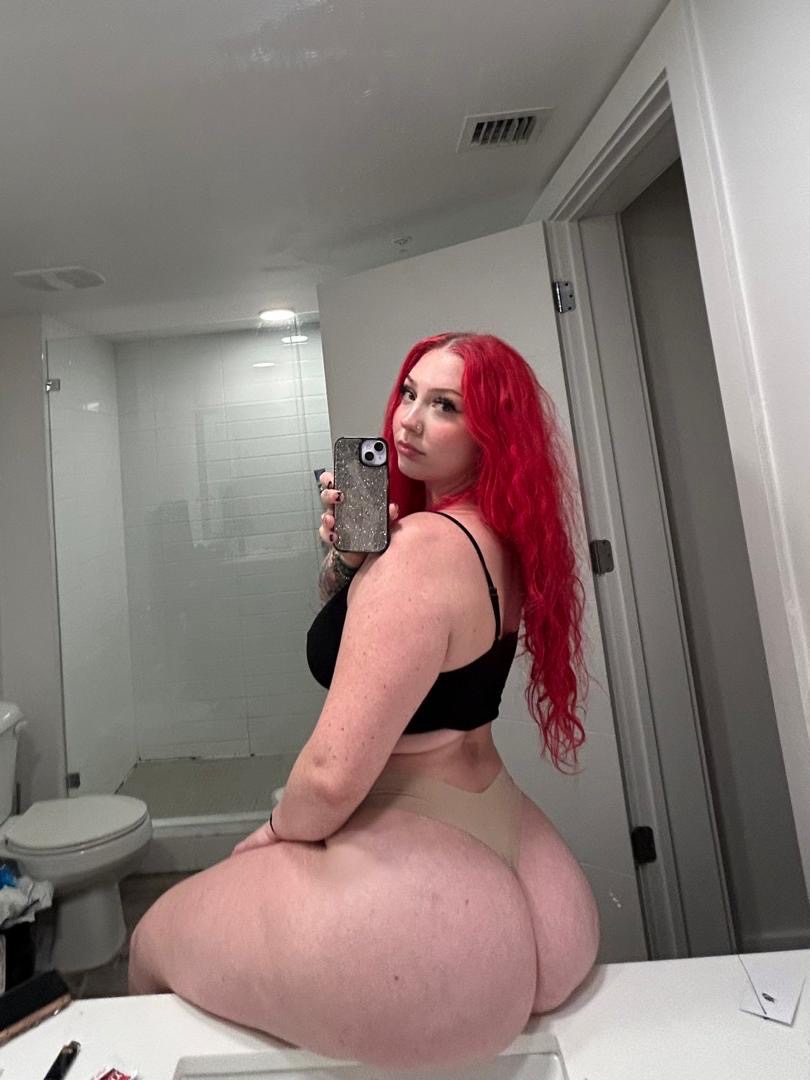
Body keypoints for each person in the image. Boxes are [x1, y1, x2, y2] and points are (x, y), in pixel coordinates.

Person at [128, 332, 599, 1069]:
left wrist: (272, 835)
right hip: (509, 830)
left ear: (491, 434)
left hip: (419, 849)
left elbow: (329, 778)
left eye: (445, 406)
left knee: (151, 940)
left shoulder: (420, 550)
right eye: (410, 393)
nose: (409, 419)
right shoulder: (500, 540)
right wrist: (349, 563)